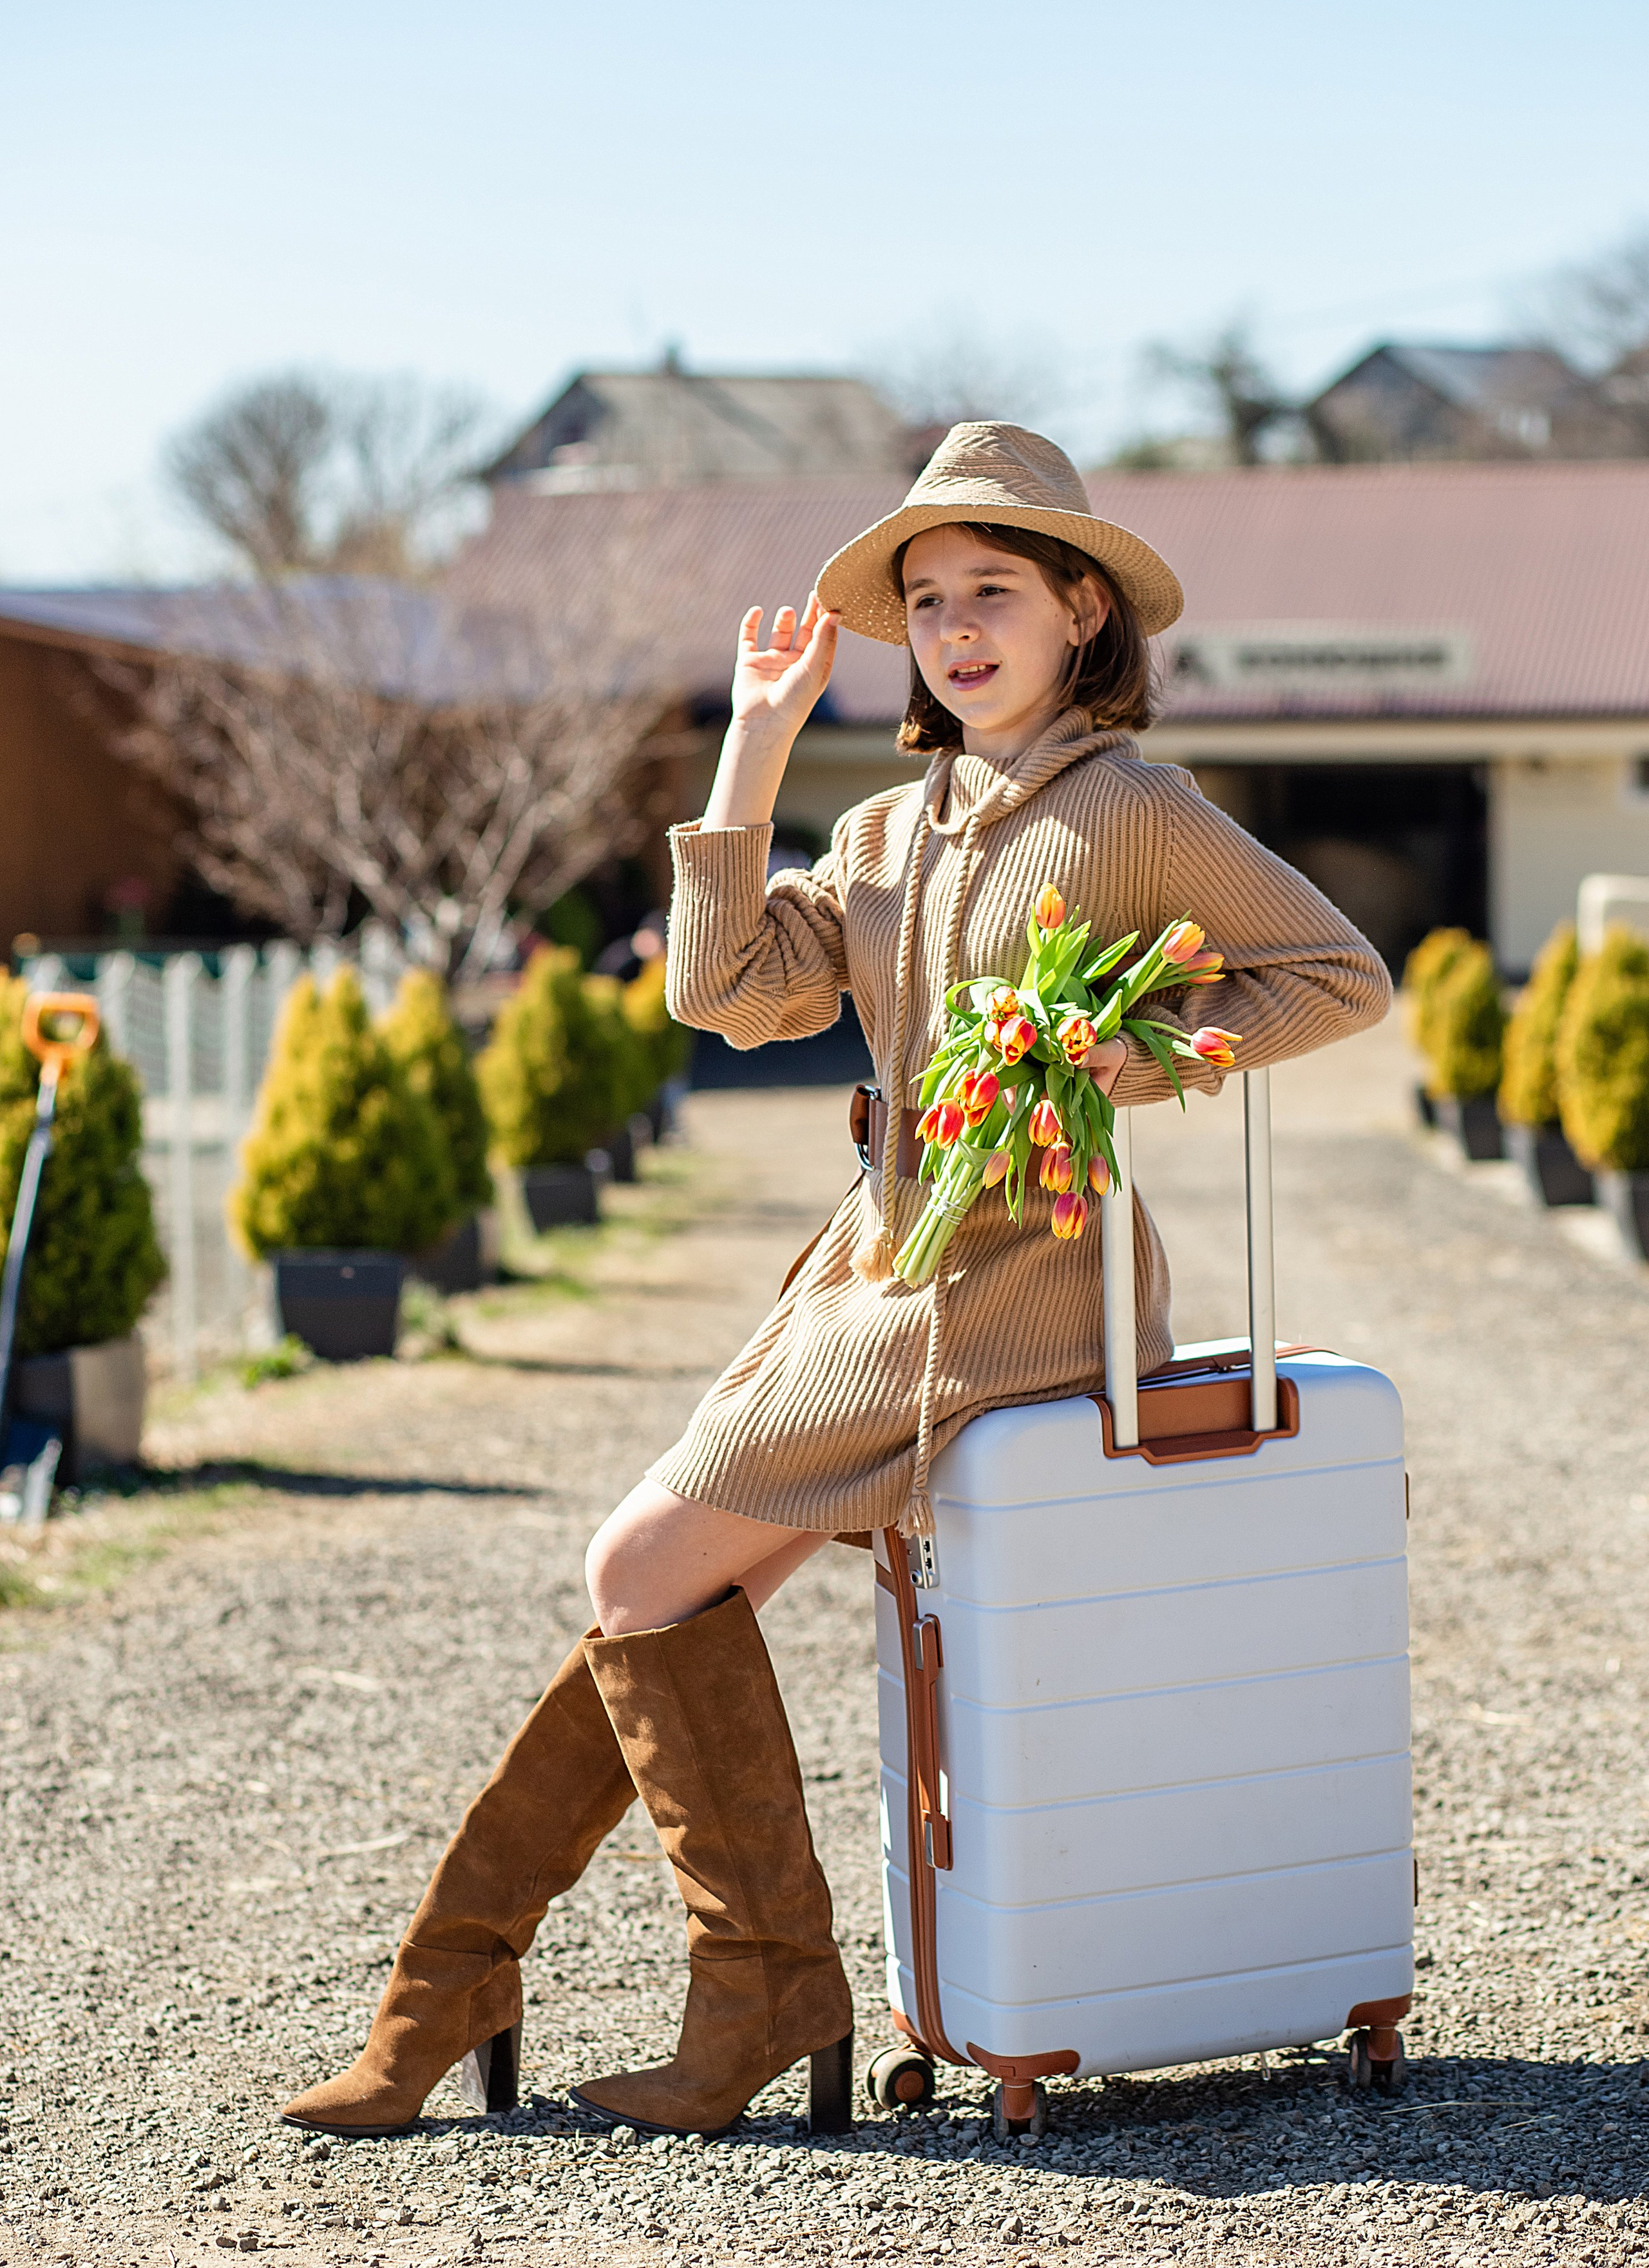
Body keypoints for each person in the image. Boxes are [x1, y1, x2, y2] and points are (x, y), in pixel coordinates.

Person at [281, 422, 1391, 2144]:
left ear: (1083, 612)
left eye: (994, 591)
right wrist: (753, 748)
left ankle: (529, 1992)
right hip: (871, 1284)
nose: (954, 627)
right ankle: (545, 1995)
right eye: (929, 599)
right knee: (663, 1596)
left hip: (1019, 1294)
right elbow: (722, 993)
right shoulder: (885, 830)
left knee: (639, 1563)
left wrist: (1134, 1054)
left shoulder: (1138, 813)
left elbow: (1339, 975)